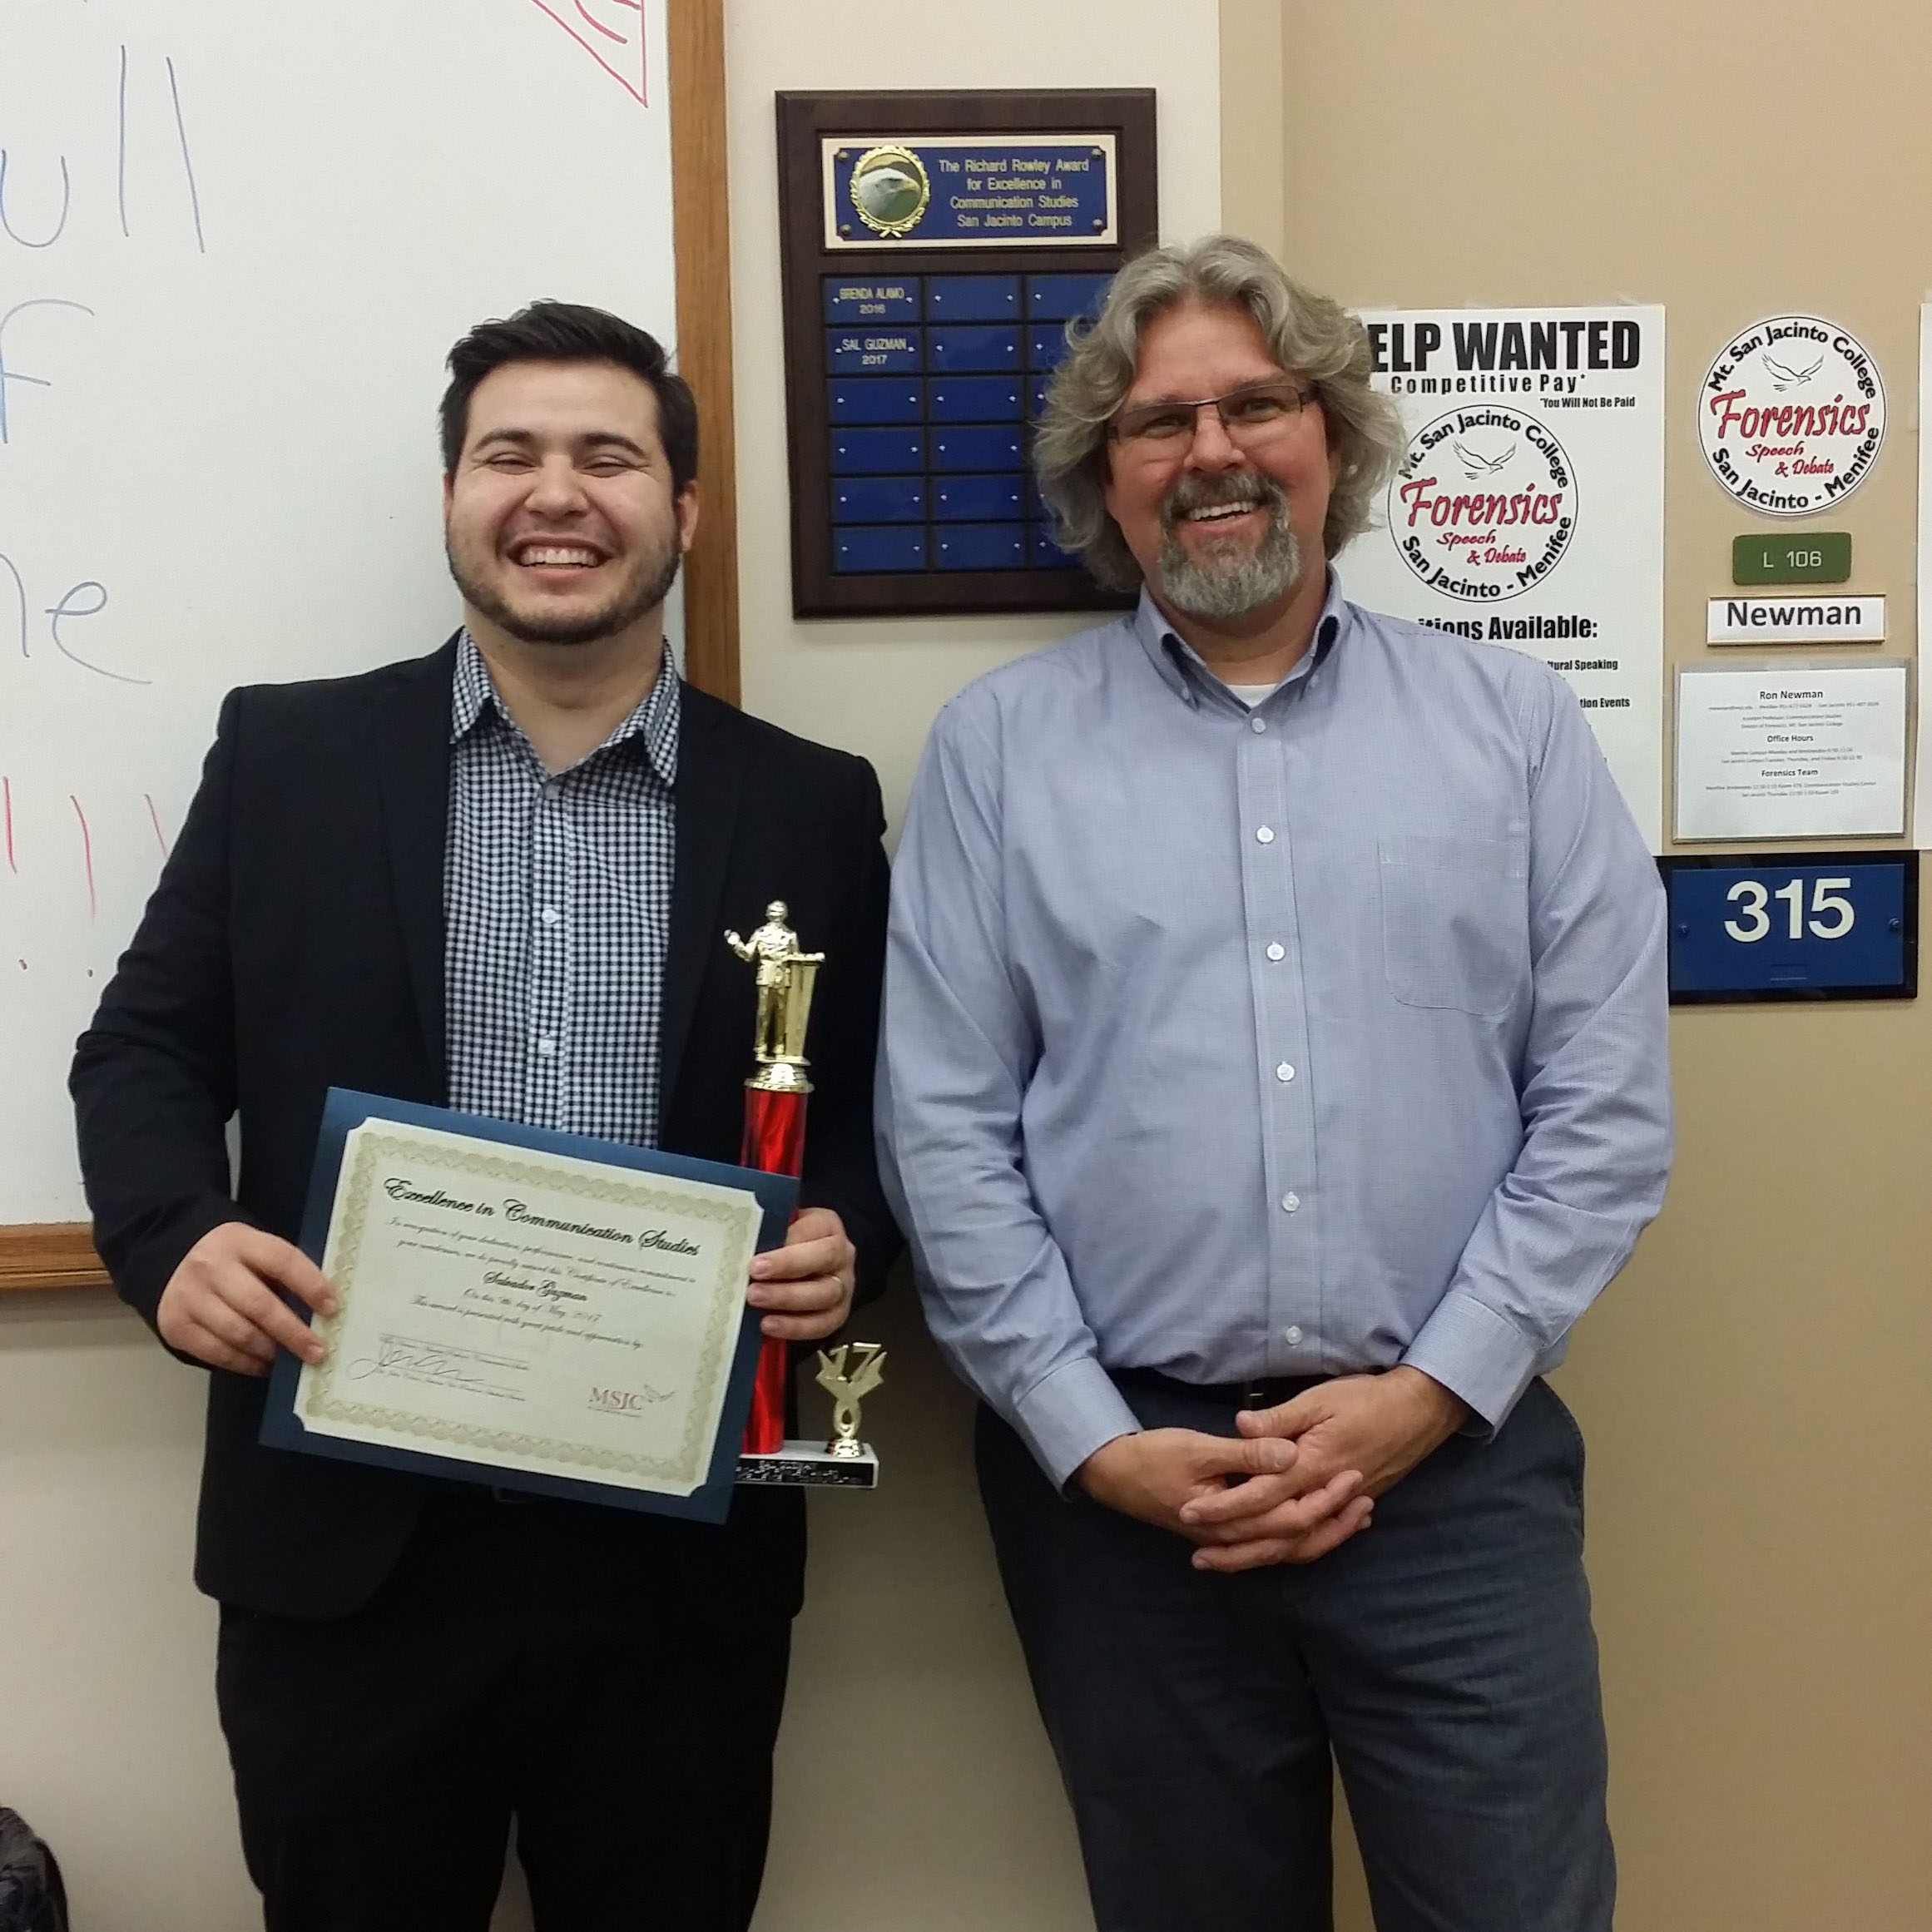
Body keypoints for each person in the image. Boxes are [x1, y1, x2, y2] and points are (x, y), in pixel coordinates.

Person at [877, 235, 1671, 1932]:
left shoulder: (1514, 727)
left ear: (1338, 441)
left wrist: (1432, 1395)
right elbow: (943, 1135)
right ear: (1107, 473)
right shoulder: (999, 756)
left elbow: (1603, 1112)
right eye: (1163, 422)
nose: (1215, 452)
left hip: (1453, 1483)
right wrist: (1094, 1443)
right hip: (1127, 1512)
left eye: (1257, 404)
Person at [71, 301, 895, 1932]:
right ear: (450, 493)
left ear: (687, 511)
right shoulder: (289, 755)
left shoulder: (809, 799)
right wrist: (173, 1243)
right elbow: (143, 1054)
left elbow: (879, 1116)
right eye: (509, 454)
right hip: (350, 1556)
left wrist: (850, 1242)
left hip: (676, 1566)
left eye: (610, 455)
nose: (557, 493)